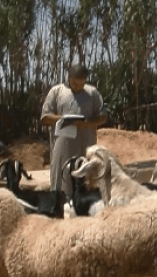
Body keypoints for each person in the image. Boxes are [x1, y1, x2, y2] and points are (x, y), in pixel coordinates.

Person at [40, 64, 107, 196]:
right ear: (69, 77)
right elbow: (45, 117)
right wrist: (64, 119)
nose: (78, 87)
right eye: (75, 84)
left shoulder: (92, 93)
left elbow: (103, 116)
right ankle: (59, 203)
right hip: (63, 146)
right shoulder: (56, 91)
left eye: (81, 84)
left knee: (86, 175)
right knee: (62, 175)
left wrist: (87, 124)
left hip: (86, 144)